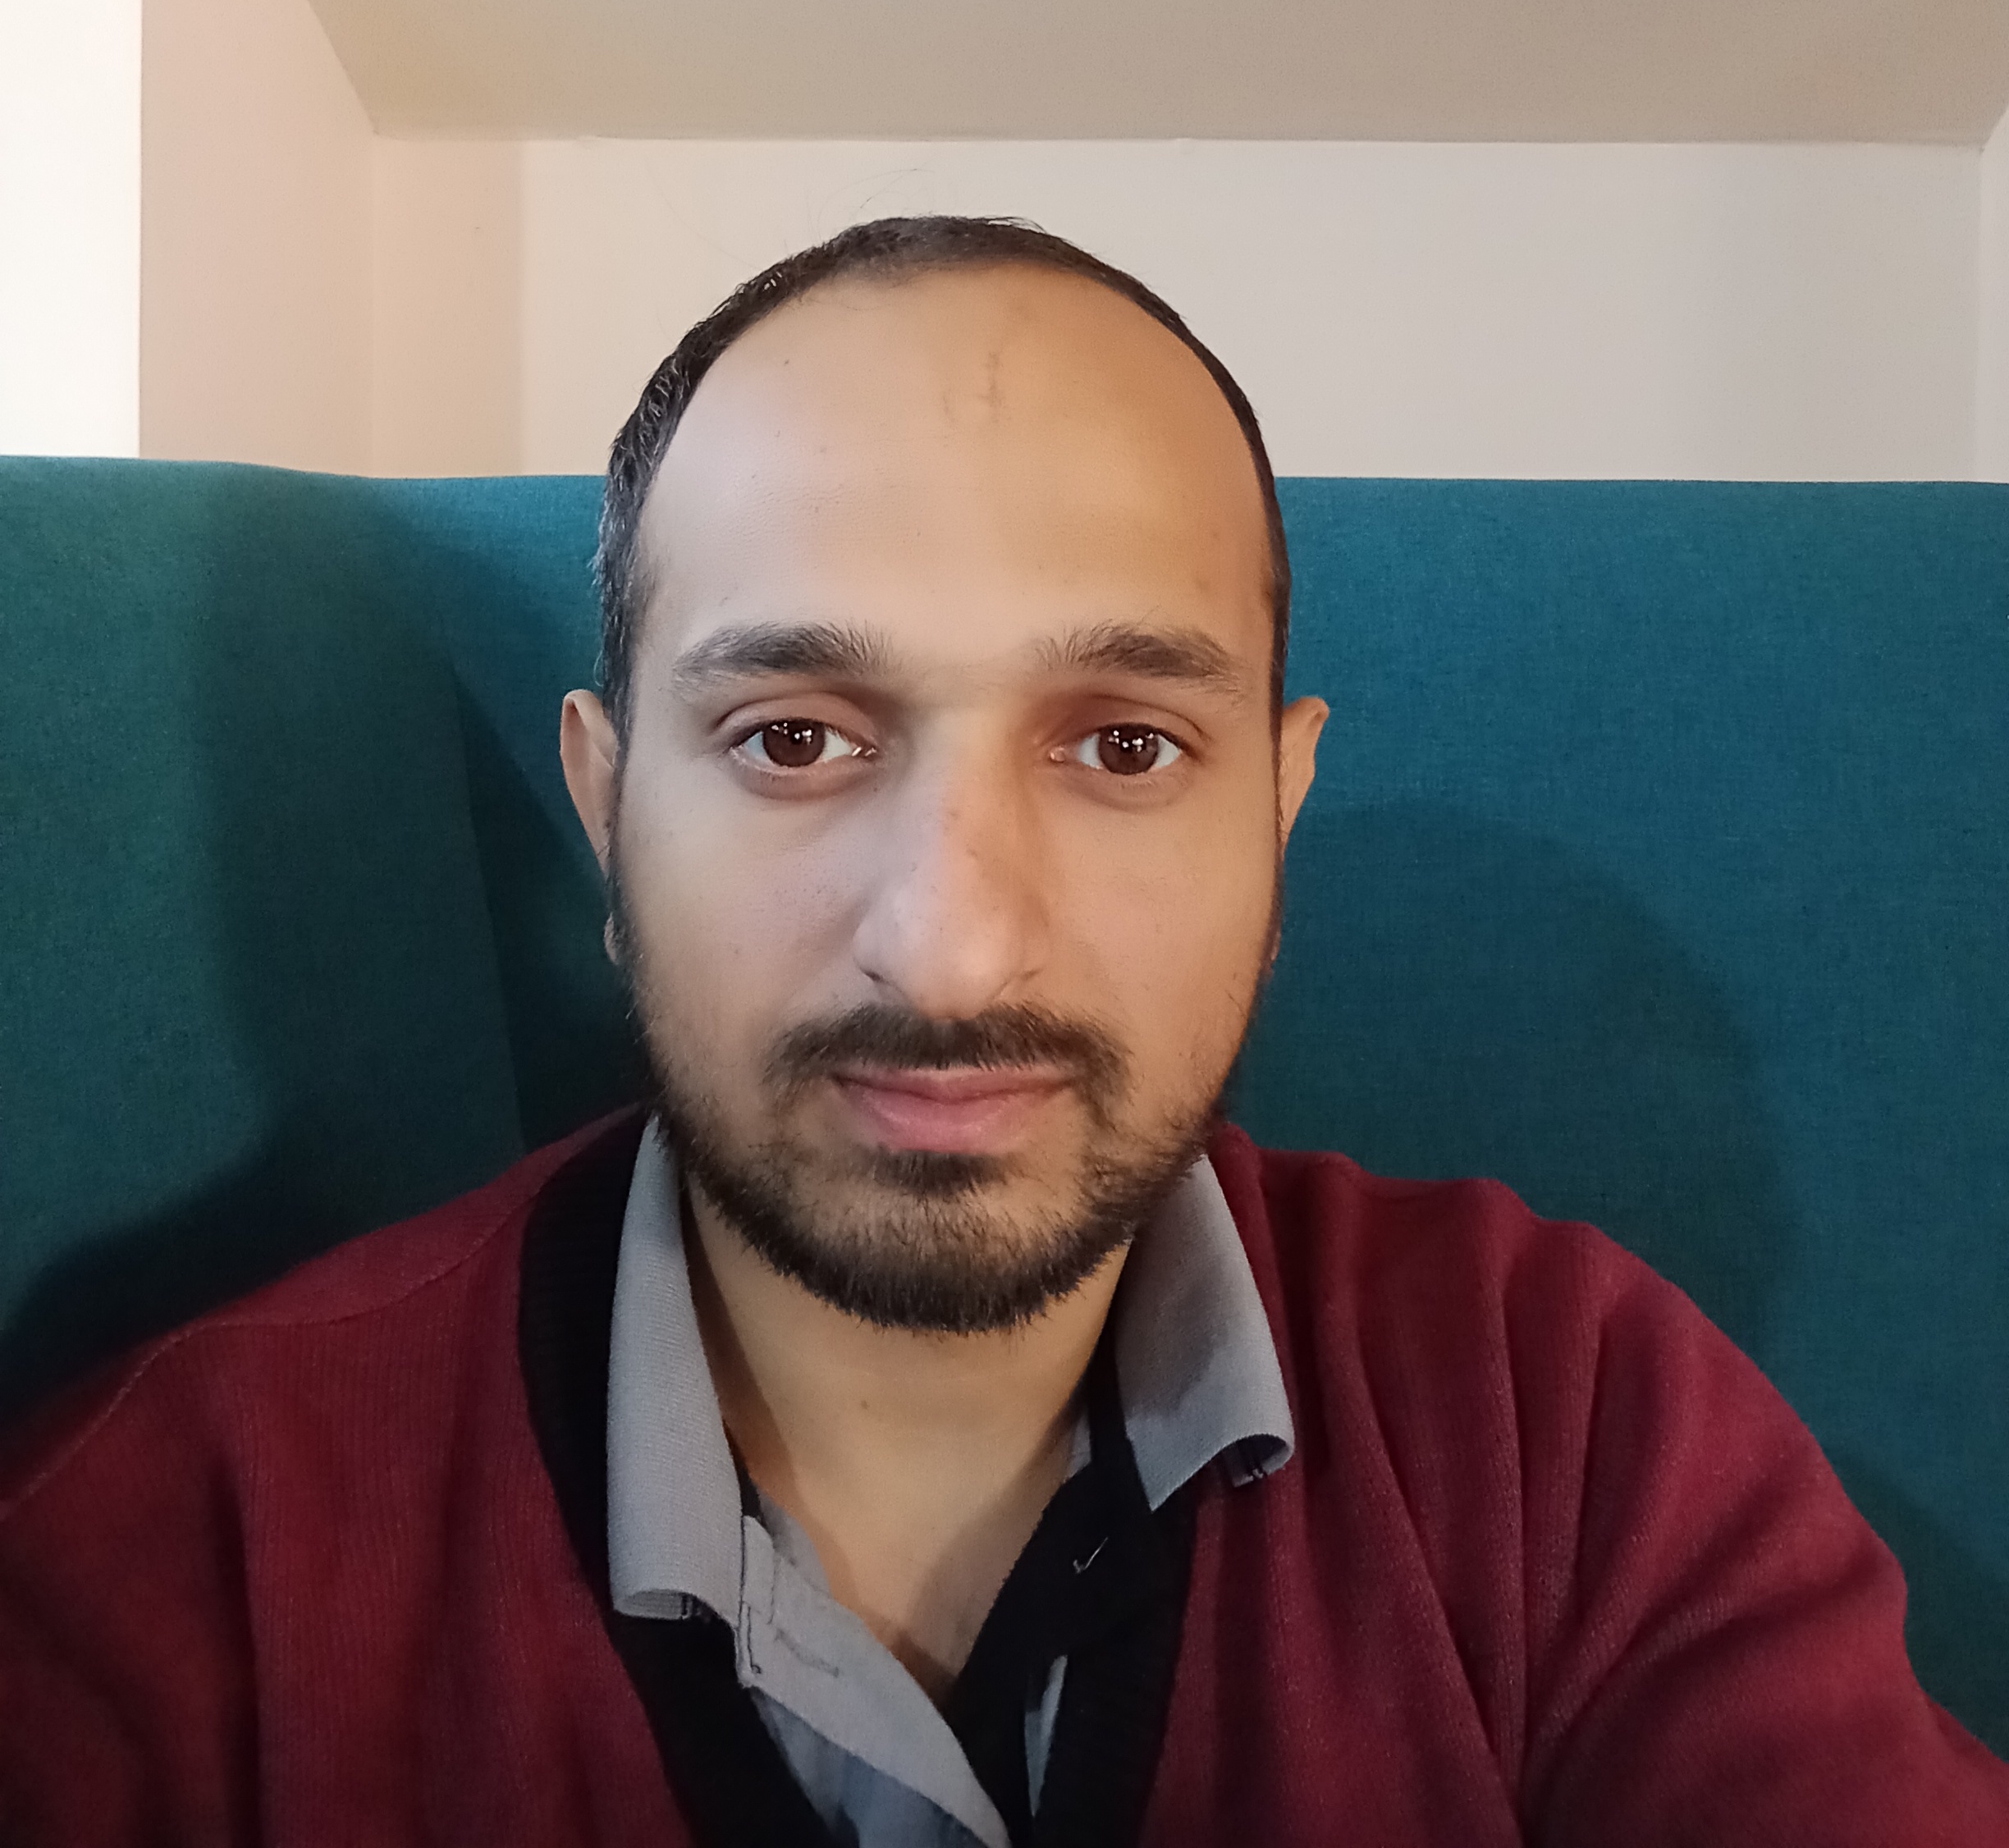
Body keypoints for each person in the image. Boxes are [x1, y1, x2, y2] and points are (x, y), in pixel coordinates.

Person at [2, 213, 2005, 1848]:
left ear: (1277, 814)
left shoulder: (1569, 1428)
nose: (952, 950)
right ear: (607, 812)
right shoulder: (175, 1560)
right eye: (795, 739)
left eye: (1125, 746)